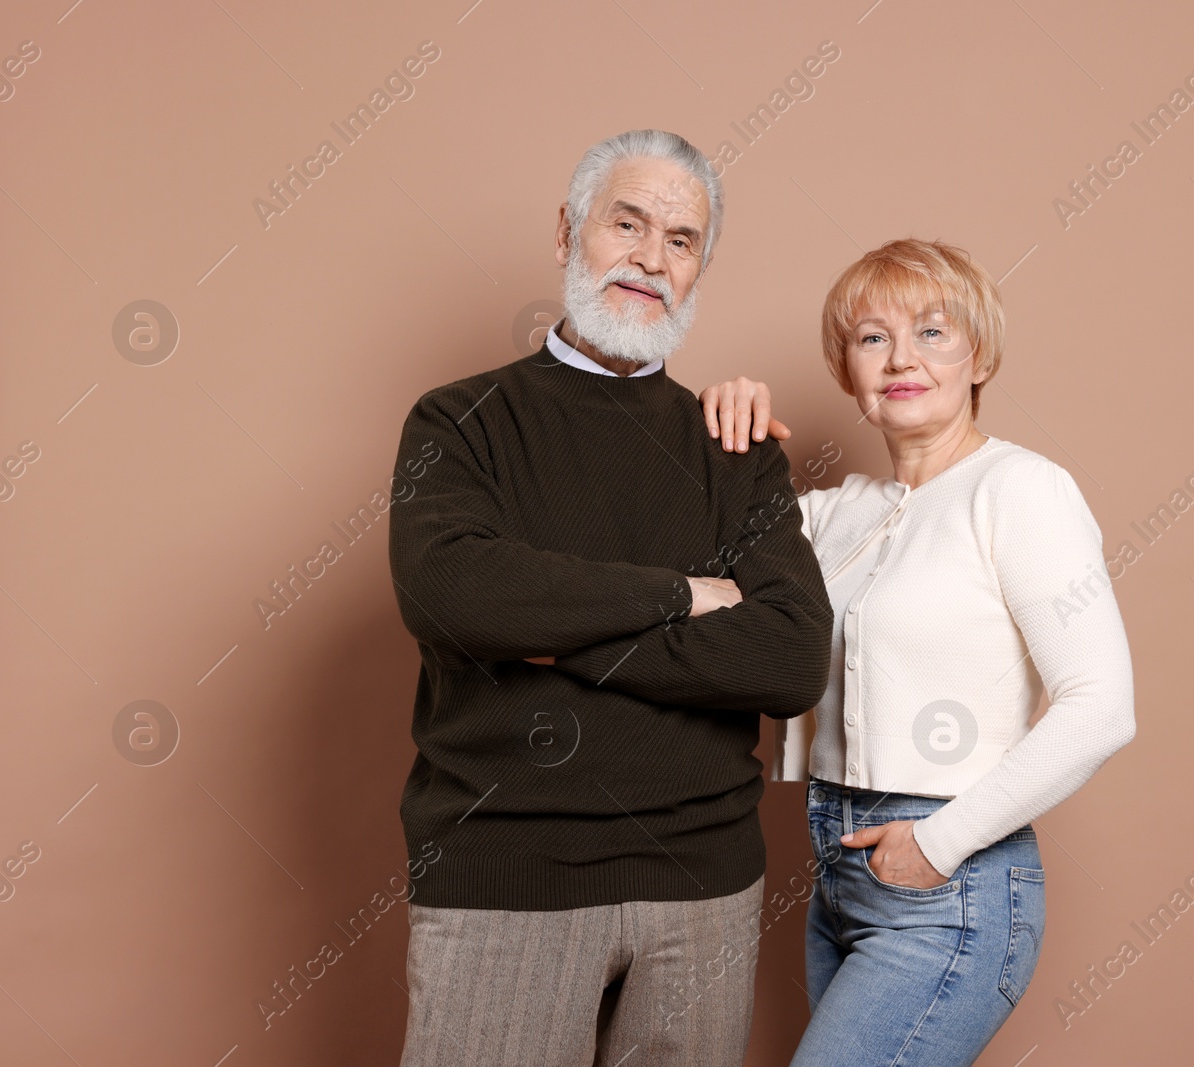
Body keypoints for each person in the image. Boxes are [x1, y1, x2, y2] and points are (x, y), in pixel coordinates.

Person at [387, 128, 833, 1067]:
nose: (649, 258)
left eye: (680, 241)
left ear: (700, 268)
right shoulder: (459, 421)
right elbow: (457, 592)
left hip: (704, 888)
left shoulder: (736, 446)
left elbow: (791, 657)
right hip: (506, 876)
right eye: (625, 224)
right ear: (566, 232)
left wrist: (554, 631)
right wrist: (681, 593)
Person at [699, 237, 1137, 1066]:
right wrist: (725, 421)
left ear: (979, 354)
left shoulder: (1020, 490)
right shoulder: (835, 515)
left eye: (933, 331)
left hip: (950, 880)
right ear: (846, 368)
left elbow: (1100, 706)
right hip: (836, 869)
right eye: (872, 337)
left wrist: (938, 844)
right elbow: (697, 580)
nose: (902, 357)